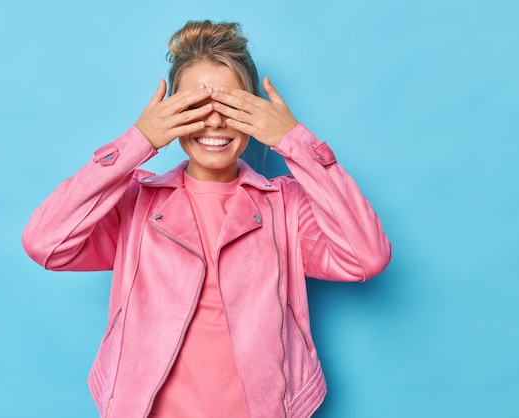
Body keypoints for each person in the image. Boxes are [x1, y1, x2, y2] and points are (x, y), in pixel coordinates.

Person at [22, 19, 391, 418]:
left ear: (255, 113)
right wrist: (137, 142)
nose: (213, 121)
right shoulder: (135, 202)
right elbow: (46, 243)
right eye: (194, 107)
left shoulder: (286, 205)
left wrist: (294, 141)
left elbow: (365, 256)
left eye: (230, 106)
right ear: (170, 114)